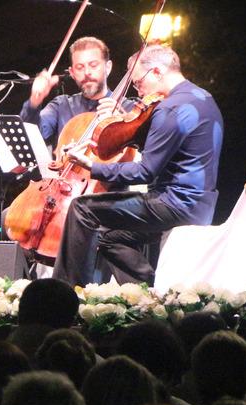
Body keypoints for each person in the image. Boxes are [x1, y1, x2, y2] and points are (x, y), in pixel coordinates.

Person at [54, 43, 223, 286]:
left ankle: (65, 292)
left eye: (138, 82)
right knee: (110, 238)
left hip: (174, 205)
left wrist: (91, 165)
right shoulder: (204, 98)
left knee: (82, 208)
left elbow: (145, 172)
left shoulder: (170, 108)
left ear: (156, 72)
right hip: (202, 205)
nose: (138, 90)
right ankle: (148, 294)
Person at [20, 36, 132, 143]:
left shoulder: (128, 108)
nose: (87, 72)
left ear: (107, 67)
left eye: (93, 65)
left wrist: (122, 123)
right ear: (72, 73)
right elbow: (33, 136)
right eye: (80, 67)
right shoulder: (61, 106)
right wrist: (35, 99)